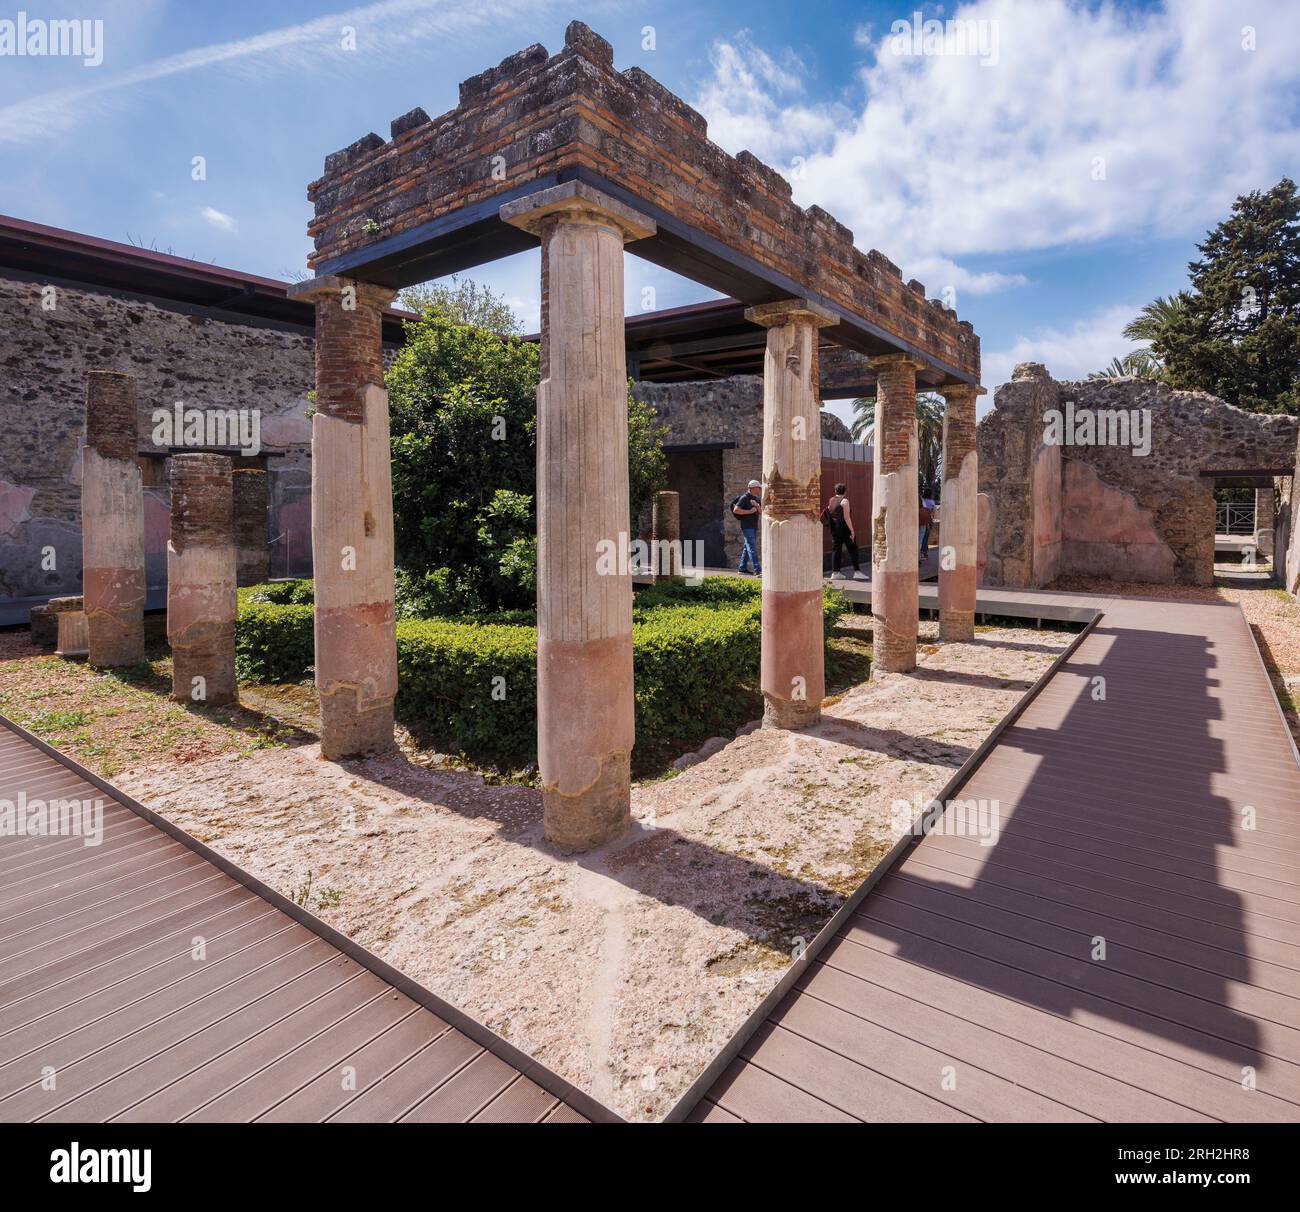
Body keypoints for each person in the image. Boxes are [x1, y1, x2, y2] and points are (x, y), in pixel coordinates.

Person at [826, 482, 863, 579]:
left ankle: (835, 573)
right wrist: (852, 531)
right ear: (845, 492)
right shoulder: (845, 501)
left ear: (835, 491)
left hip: (834, 528)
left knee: (836, 550)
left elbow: (830, 512)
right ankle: (857, 572)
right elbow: (847, 518)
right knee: (853, 549)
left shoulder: (831, 500)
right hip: (844, 528)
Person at [731, 479, 763, 575]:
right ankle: (758, 570)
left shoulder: (757, 499)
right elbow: (736, 510)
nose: (760, 489)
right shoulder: (744, 498)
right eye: (758, 487)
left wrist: (757, 506)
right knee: (752, 547)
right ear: (753, 488)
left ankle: (742, 568)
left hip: (753, 526)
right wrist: (750, 511)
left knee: (747, 546)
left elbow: (761, 512)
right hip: (747, 526)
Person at [918, 493, 934, 562]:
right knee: (920, 541)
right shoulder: (920, 498)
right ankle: (919, 557)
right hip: (923, 522)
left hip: (914, 521)